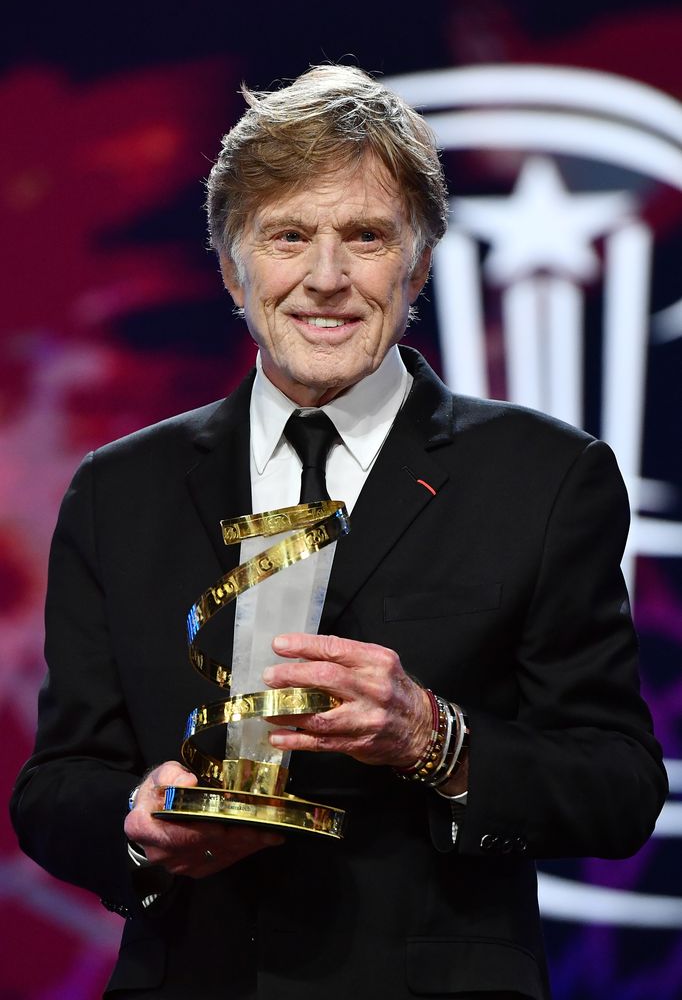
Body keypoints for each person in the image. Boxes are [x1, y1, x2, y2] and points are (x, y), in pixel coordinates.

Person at [11, 65, 666, 1000]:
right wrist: (136, 818)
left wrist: (433, 737)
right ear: (234, 268)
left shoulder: (545, 477)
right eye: (288, 237)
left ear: (421, 264)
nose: (326, 278)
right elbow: (54, 786)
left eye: (366, 236)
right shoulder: (119, 490)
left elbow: (618, 787)